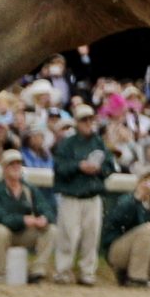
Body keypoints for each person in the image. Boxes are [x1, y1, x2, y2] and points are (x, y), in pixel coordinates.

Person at [47, 100, 114, 285]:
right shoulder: (67, 144)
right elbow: (59, 168)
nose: (88, 123)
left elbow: (110, 166)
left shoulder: (99, 142)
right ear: (77, 122)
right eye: (84, 120)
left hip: (92, 196)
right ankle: (62, 271)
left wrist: (98, 170)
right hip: (71, 196)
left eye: (90, 120)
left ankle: (87, 272)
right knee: (68, 235)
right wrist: (79, 166)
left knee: (91, 237)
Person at [0, 148, 54, 281]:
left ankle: (37, 270)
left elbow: (47, 209)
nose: (16, 167)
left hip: (24, 233)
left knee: (51, 230)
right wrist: (22, 220)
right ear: (3, 168)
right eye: (11, 164)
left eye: (18, 164)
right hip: (2, 235)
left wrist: (44, 218)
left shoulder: (29, 189)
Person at [102, 170, 150, 288]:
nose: (148, 184)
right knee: (149, 229)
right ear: (138, 183)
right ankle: (136, 279)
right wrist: (136, 199)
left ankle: (128, 276)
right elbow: (116, 219)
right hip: (118, 251)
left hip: (144, 252)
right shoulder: (126, 200)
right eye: (144, 180)